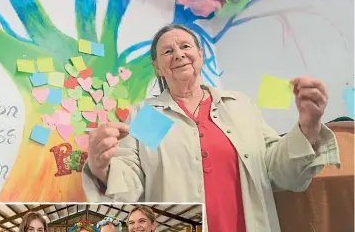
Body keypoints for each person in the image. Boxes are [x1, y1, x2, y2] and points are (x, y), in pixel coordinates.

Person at [82, 24, 341, 232]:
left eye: (185, 46)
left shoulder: (239, 104)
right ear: (158, 67)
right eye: (167, 52)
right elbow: (132, 183)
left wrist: (307, 127)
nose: (179, 54)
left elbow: (277, 171)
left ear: (200, 55)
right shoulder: (149, 115)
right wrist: (101, 167)